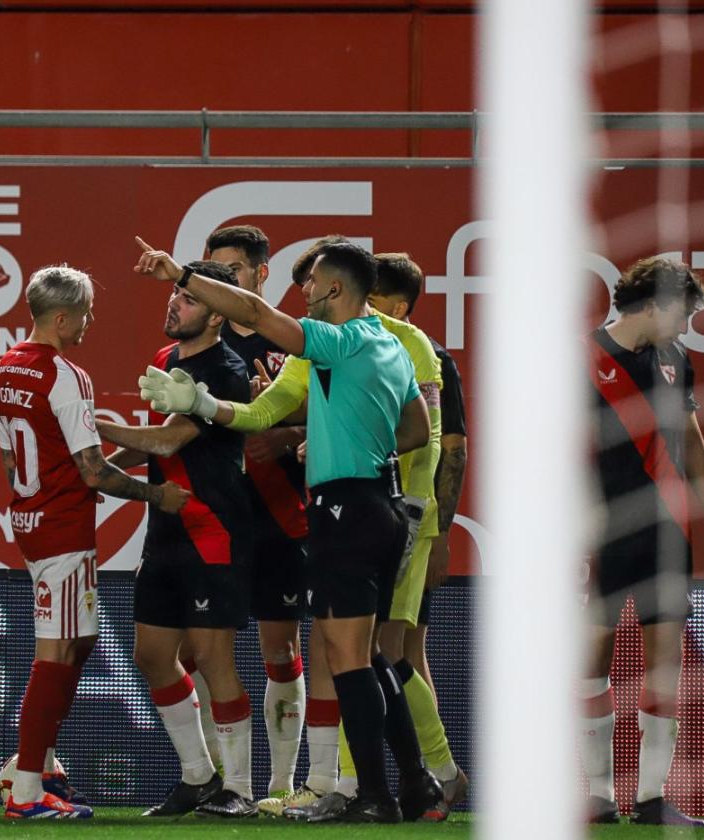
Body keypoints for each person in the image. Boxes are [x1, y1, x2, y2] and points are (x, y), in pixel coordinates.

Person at [135, 238, 439, 823]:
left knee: (348, 659)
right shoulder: (390, 347)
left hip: (343, 509)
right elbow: (415, 431)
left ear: (335, 289)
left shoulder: (336, 339)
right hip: (380, 504)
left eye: (310, 283)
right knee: (372, 657)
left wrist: (181, 274)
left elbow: (252, 314)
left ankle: (371, 796)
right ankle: (417, 783)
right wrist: (203, 403)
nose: (301, 294)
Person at [0, 264, 190, 819]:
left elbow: (10, 458)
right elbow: (95, 472)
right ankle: (27, 791)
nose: (90, 322)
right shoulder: (65, 374)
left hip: (31, 520)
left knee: (78, 642)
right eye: (84, 314)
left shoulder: (3, 369)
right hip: (62, 528)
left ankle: (40, 766)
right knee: (56, 651)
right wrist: (158, 496)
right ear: (61, 317)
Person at [97, 260, 257, 818]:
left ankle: (239, 788)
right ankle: (198, 776)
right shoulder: (166, 362)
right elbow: (155, 445)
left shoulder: (229, 370)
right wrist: (104, 473)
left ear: (216, 314)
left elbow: (171, 443)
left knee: (214, 658)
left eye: (187, 299)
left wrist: (86, 424)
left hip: (212, 530)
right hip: (164, 532)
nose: (174, 304)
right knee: (152, 655)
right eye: (174, 295)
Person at [582, 256, 704, 827]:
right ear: (652, 304)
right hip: (600, 530)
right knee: (591, 657)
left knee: (663, 662)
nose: (687, 323)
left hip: (667, 529)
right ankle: (597, 795)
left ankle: (651, 798)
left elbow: (691, 439)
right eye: (683, 311)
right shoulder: (581, 358)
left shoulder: (677, 360)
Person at [205, 225, 309, 805]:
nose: (225, 284)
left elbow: (344, 414)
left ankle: (281, 785)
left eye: (234, 272)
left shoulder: (291, 342)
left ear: (260, 274)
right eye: (213, 273)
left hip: (279, 515)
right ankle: (222, 781)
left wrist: (289, 430)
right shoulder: (197, 344)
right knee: (203, 650)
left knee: (280, 649)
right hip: (216, 517)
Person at [367, 251, 470, 816]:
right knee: (389, 649)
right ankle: (426, 773)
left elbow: (449, 449)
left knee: (383, 650)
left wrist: (440, 530)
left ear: (397, 306)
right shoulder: (362, 349)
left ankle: (439, 769)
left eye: (370, 296)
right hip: (380, 515)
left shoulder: (432, 360)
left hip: (409, 519)